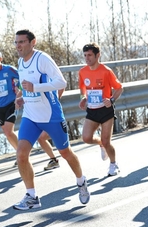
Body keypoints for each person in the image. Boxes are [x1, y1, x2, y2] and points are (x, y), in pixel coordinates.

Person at [12, 29, 90, 210]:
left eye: (22, 42)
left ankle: (81, 181)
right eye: (16, 42)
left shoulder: (42, 59)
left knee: (66, 153)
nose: (18, 46)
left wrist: (35, 87)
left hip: (50, 116)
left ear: (33, 42)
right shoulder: (20, 62)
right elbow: (27, 87)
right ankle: (31, 196)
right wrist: (23, 97)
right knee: (21, 154)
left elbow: (61, 83)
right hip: (30, 116)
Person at [0, 49, 60, 171]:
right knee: (8, 133)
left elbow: (23, 78)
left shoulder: (9, 69)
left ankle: (23, 156)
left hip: (12, 103)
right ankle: (23, 155)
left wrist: (19, 92)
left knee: (9, 131)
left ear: (0, 59)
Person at [78, 43, 123, 177]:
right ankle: (100, 144)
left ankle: (113, 164)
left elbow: (119, 88)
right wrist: (83, 98)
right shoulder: (82, 72)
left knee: (107, 141)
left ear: (98, 55)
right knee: (86, 138)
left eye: (90, 55)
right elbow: (82, 88)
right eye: (85, 55)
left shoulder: (106, 71)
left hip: (105, 110)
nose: (87, 58)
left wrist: (112, 100)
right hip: (92, 110)